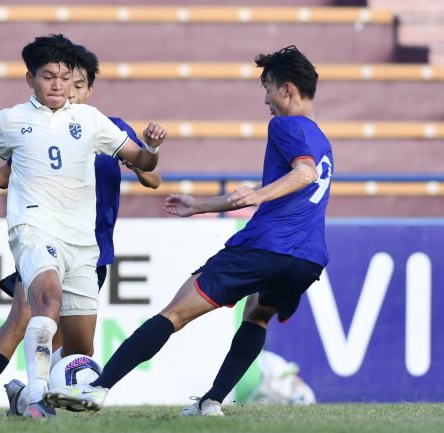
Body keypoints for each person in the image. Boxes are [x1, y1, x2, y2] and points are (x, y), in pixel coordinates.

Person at [44, 45, 334, 417]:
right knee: (257, 316)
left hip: (266, 246)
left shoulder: (284, 124)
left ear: (287, 89)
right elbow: (307, 178)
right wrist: (200, 206)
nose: (266, 100)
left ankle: (97, 389)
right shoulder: (321, 138)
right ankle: (210, 402)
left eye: (268, 89)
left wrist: (256, 195)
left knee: (174, 314)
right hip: (307, 259)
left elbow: (304, 173)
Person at [0, 34, 167, 419]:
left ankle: (24, 396)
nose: (61, 86)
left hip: (85, 241)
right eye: (51, 77)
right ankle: (25, 399)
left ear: (86, 86)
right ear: (31, 78)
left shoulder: (95, 122)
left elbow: (148, 170)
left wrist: (151, 148)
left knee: (80, 350)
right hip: (33, 228)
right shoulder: (12, 119)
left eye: (69, 79)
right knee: (40, 304)